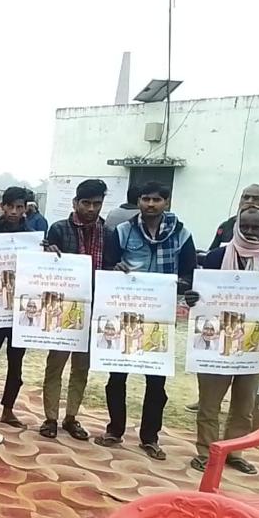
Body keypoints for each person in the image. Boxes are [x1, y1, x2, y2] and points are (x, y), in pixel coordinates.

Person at [94, 181, 196, 461]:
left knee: (156, 382)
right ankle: (114, 430)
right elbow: (108, 265)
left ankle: (150, 437)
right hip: (125, 313)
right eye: (145, 199)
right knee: (117, 377)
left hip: (159, 317)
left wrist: (179, 285)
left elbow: (190, 272)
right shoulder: (123, 231)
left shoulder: (182, 234)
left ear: (167, 202)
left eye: (156, 199)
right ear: (138, 201)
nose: (150, 204)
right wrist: (116, 269)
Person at [186, 205, 259, 475]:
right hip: (216, 342)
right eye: (245, 226)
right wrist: (194, 298)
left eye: (256, 227)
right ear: (236, 227)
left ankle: (234, 452)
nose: (250, 231)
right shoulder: (216, 257)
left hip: (252, 345)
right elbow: (201, 293)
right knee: (209, 403)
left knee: (244, 405)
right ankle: (206, 453)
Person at [40, 179, 120, 441]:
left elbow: (111, 267)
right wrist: (48, 255)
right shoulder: (58, 229)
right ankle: (50, 418)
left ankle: (71, 417)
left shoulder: (109, 234)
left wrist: (118, 272)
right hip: (63, 309)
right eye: (86, 203)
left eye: (97, 203)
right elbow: (46, 267)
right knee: (55, 365)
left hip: (95, 309)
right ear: (75, 202)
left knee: (81, 368)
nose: (91, 208)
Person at [0, 186, 35, 428]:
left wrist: (46, 252)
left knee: (16, 362)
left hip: (19, 310)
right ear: (2, 206)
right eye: (9, 206)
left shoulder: (33, 237)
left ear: (25, 209)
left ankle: (8, 409)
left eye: (19, 207)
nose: (13, 212)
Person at [209, 185, 259, 258]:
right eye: (246, 197)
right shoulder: (225, 227)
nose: (249, 201)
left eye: (256, 199)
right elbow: (211, 255)